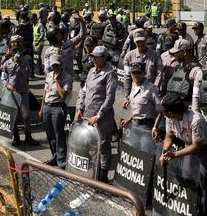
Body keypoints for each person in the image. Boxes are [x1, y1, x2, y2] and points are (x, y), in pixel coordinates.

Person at [159, 92, 207, 216]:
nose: (163, 114)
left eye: (165, 111)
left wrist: (174, 155)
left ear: (171, 112)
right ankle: (189, 209)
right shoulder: (169, 117)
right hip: (189, 146)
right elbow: (169, 136)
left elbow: (197, 146)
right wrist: (164, 151)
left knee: (204, 185)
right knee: (187, 178)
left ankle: (203, 213)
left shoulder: (196, 120)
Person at [75, 45, 117, 183]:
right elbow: (84, 91)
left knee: (104, 145)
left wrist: (99, 115)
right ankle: (94, 169)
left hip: (102, 117)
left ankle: (103, 175)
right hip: (88, 114)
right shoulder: (92, 71)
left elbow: (110, 98)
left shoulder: (109, 74)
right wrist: (79, 108)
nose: (93, 59)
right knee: (89, 144)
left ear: (104, 58)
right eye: (92, 56)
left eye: (97, 57)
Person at [3, 35, 39, 146]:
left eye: (17, 50)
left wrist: (20, 64)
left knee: (26, 116)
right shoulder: (7, 63)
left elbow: (28, 74)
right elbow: (4, 78)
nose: (15, 53)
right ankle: (16, 137)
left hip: (23, 92)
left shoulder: (25, 61)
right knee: (13, 115)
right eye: (13, 51)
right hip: (12, 93)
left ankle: (28, 136)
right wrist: (9, 87)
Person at [39, 54, 72, 169]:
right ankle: (55, 156)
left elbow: (63, 94)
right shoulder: (48, 75)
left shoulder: (67, 77)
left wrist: (57, 81)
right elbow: (45, 93)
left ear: (61, 65)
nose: (55, 68)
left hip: (58, 108)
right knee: (50, 135)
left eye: (57, 65)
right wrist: (42, 108)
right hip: (47, 107)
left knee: (59, 135)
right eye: (53, 66)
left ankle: (62, 161)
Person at [121, 61, 161, 140]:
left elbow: (159, 111)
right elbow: (137, 107)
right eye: (134, 73)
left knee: (144, 150)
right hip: (134, 125)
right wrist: (129, 118)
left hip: (146, 127)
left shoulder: (151, 88)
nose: (136, 75)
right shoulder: (133, 85)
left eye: (139, 73)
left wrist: (155, 128)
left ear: (144, 73)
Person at [122, 28, 163, 96]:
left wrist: (154, 89)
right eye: (138, 42)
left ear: (146, 40)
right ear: (135, 42)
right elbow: (127, 76)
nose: (140, 44)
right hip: (135, 92)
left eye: (142, 41)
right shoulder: (129, 56)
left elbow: (159, 74)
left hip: (151, 92)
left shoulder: (155, 55)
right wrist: (127, 93)